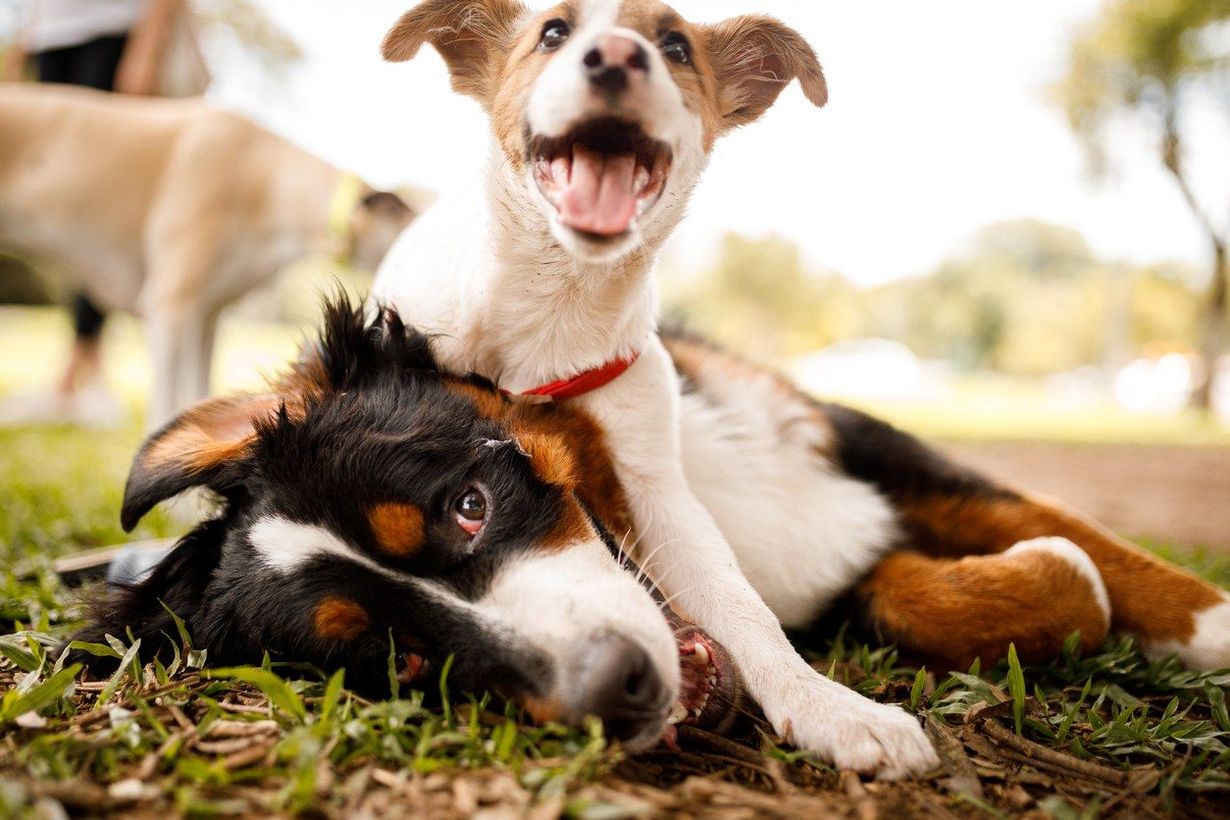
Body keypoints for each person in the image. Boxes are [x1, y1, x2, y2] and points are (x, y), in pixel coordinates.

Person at [2, 0, 206, 426]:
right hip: (51, 39)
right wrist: (24, 45)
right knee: (62, 212)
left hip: (113, 34)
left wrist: (146, 50)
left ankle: (83, 373)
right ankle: (75, 374)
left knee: (97, 211)